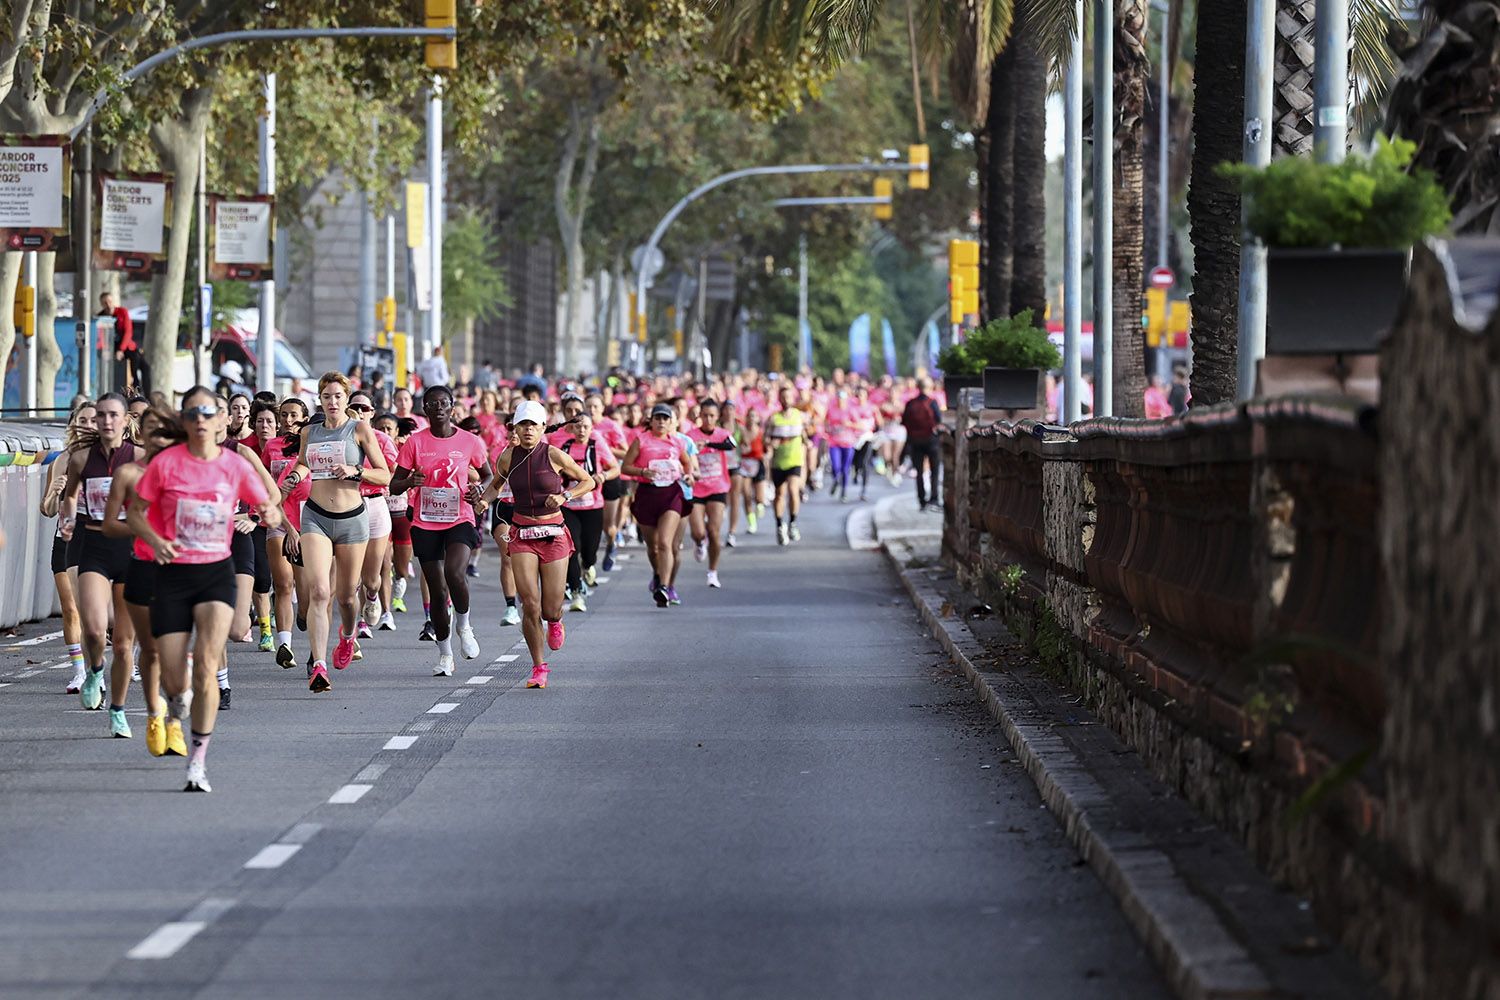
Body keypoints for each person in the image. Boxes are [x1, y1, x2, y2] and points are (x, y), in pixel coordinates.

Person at [127, 388, 282, 791]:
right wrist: (156, 542)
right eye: (192, 412)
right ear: (184, 421)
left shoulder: (234, 464)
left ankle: (198, 762)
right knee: (175, 678)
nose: (200, 418)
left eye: (208, 412)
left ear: (219, 422)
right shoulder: (165, 465)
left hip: (216, 571)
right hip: (173, 575)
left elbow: (272, 503)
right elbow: (136, 513)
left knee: (210, 664)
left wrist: (266, 511)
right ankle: (177, 704)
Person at [279, 372, 391, 692]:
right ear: (320, 399)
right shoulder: (310, 432)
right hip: (315, 516)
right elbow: (303, 464)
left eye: (338, 397)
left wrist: (356, 471)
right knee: (318, 591)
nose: (332, 402)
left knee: (345, 596)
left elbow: (383, 475)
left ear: (346, 398)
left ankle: (347, 635)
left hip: (352, 519)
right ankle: (318, 665)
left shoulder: (359, 429)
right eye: (326, 397)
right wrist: (295, 477)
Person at [477, 399, 595, 689]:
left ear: (543, 427)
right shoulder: (507, 456)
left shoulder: (554, 454)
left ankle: (555, 622)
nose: (528, 430)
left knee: (550, 608)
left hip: (553, 533)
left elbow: (587, 481)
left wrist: (565, 496)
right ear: (515, 427)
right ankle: (539, 667)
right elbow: (496, 484)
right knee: (529, 604)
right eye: (523, 424)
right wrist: (483, 501)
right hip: (522, 534)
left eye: (534, 424)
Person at [390, 385, 491, 677]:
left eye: (443, 403)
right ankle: (445, 654)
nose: (438, 408)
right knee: (436, 590)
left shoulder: (470, 441)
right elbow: (393, 485)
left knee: (455, 574)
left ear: (452, 407)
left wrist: (477, 489)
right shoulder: (415, 443)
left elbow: (486, 474)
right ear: (425, 408)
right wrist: (411, 481)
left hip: (459, 516)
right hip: (425, 521)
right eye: (432, 404)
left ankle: (465, 625)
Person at [102, 406, 186, 757]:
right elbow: (109, 525)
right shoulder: (128, 474)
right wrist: (151, 536)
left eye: (163, 432)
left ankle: (176, 722)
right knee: (150, 649)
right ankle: (156, 715)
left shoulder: (188, 471)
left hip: (184, 569)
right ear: (141, 434)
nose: (157, 438)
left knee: (177, 649)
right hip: (143, 566)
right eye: (150, 430)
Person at [60, 392, 143, 731]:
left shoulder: (140, 458)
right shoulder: (81, 458)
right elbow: (69, 496)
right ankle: (95, 670)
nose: (107, 421)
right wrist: (68, 520)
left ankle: (118, 710)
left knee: (123, 645)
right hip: (93, 546)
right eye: (101, 416)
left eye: (113, 415)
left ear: (126, 421)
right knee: (94, 629)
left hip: (131, 551)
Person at [40, 402, 95, 694]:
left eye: (92, 420)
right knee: (71, 609)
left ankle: (106, 663)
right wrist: (55, 492)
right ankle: (79, 672)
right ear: (73, 425)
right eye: (81, 420)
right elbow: (47, 509)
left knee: (97, 613)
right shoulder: (60, 461)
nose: (87, 424)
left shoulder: (106, 459)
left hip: (96, 541)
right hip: (65, 540)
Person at [620, 403, 694, 607]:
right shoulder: (641, 440)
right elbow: (626, 467)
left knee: (664, 543)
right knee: (652, 547)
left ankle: (663, 586)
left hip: (671, 493)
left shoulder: (677, 442)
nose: (661, 422)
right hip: (647, 494)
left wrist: (687, 475)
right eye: (658, 418)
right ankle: (657, 572)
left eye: (665, 419)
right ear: (650, 421)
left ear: (671, 422)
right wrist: (643, 472)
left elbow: (687, 463)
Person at [555, 410, 617, 611]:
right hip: (568, 504)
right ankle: (576, 591)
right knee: (571, 548)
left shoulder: (597, 445)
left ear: (591, 429)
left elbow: (615, 468)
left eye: (585, 426)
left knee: (589, 551)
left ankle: (589, 566)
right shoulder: (563, 448)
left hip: (592, 505)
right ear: (571, 428)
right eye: (578, 426)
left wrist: (603, 476)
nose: (581, 430)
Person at [687, 399, 733, 588]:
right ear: (699, 416)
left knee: (714, 531)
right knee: (698, 532)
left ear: (718, 417)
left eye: (712, 416)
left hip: (718, 486)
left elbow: (732, 445)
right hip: (696, 488)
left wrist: (710, 444)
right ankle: (699, 543)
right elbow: (682, 452)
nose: (708, 419)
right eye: (705, 415)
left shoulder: (722, 435)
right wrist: (694, 448)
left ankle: (712, 572)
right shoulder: (690, 435)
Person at [764, 385, 809, 545]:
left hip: (795, 460)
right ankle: (779, 525)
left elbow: (805, 433)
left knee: (793, 490)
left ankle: (793, 523)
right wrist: (771, 443)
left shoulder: (800, 416)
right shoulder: (773, 418)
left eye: (789, 397)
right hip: (778, 462)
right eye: (783, 397)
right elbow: (766, 440)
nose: (786, 400)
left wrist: (807, 442)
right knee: (779, 494)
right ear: (779, 399)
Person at [901, 377, 944, 511]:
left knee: (919, 472)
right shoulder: (932, 403)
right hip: (931, 441)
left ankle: (921, 500)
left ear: (918, 388)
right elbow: (938, 420)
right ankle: (934, 498)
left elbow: (904, 421)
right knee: (934, 471)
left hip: (915, 441)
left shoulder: (911, 403)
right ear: (930, 387)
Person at [101, 292, 149, 393]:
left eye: (110, 302)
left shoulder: (122, 312)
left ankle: (142, 391)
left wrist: (121, 350)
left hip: (126, 346)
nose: (108, 305)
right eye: (105, 303)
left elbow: (128, 332)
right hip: (111, 348)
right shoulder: (100, 316)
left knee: (142, 366)